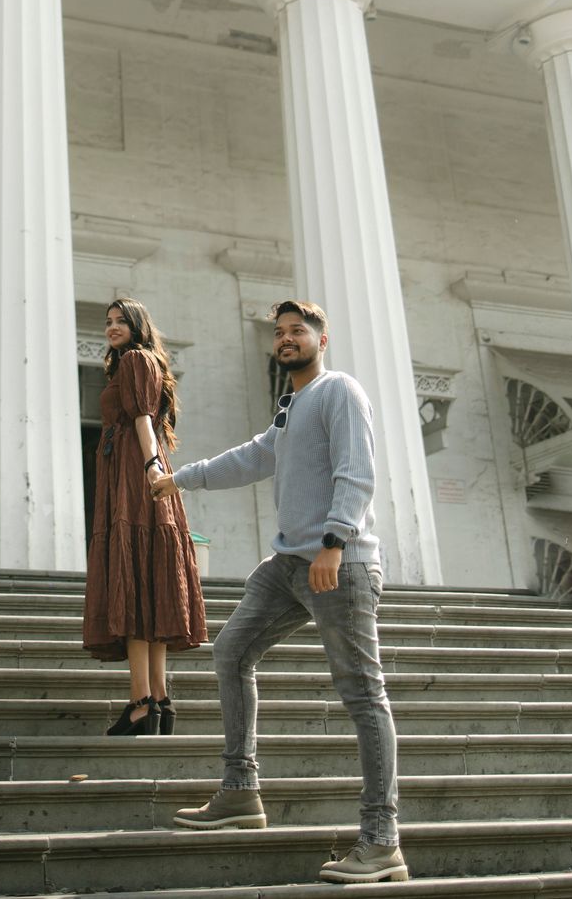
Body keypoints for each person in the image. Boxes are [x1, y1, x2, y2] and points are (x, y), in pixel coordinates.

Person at [151, 298, 407, 885]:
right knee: (231, 650)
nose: (287, 339)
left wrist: (335, 542)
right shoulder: (292, 405)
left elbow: (357, 470)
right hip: (289, 564)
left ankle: (381, 839)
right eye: (280, 333)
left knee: (364, 695)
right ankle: (241, 791)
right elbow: (254, 457)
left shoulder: (340, 390)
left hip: (335, 565)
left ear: (323, 338)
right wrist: (178, 480)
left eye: (299, 331)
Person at [83, 298, 207, 735]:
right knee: (150, 587)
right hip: (139, 475)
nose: (111, 327)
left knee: (133, 585)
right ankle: (158, 700)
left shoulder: (135, 359)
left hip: (135, 477)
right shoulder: (145, 361)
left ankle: (139, 703)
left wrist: (152, 464)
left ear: (138, 326)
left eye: (120, 321)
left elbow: (142, 420)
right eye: (108, 322)